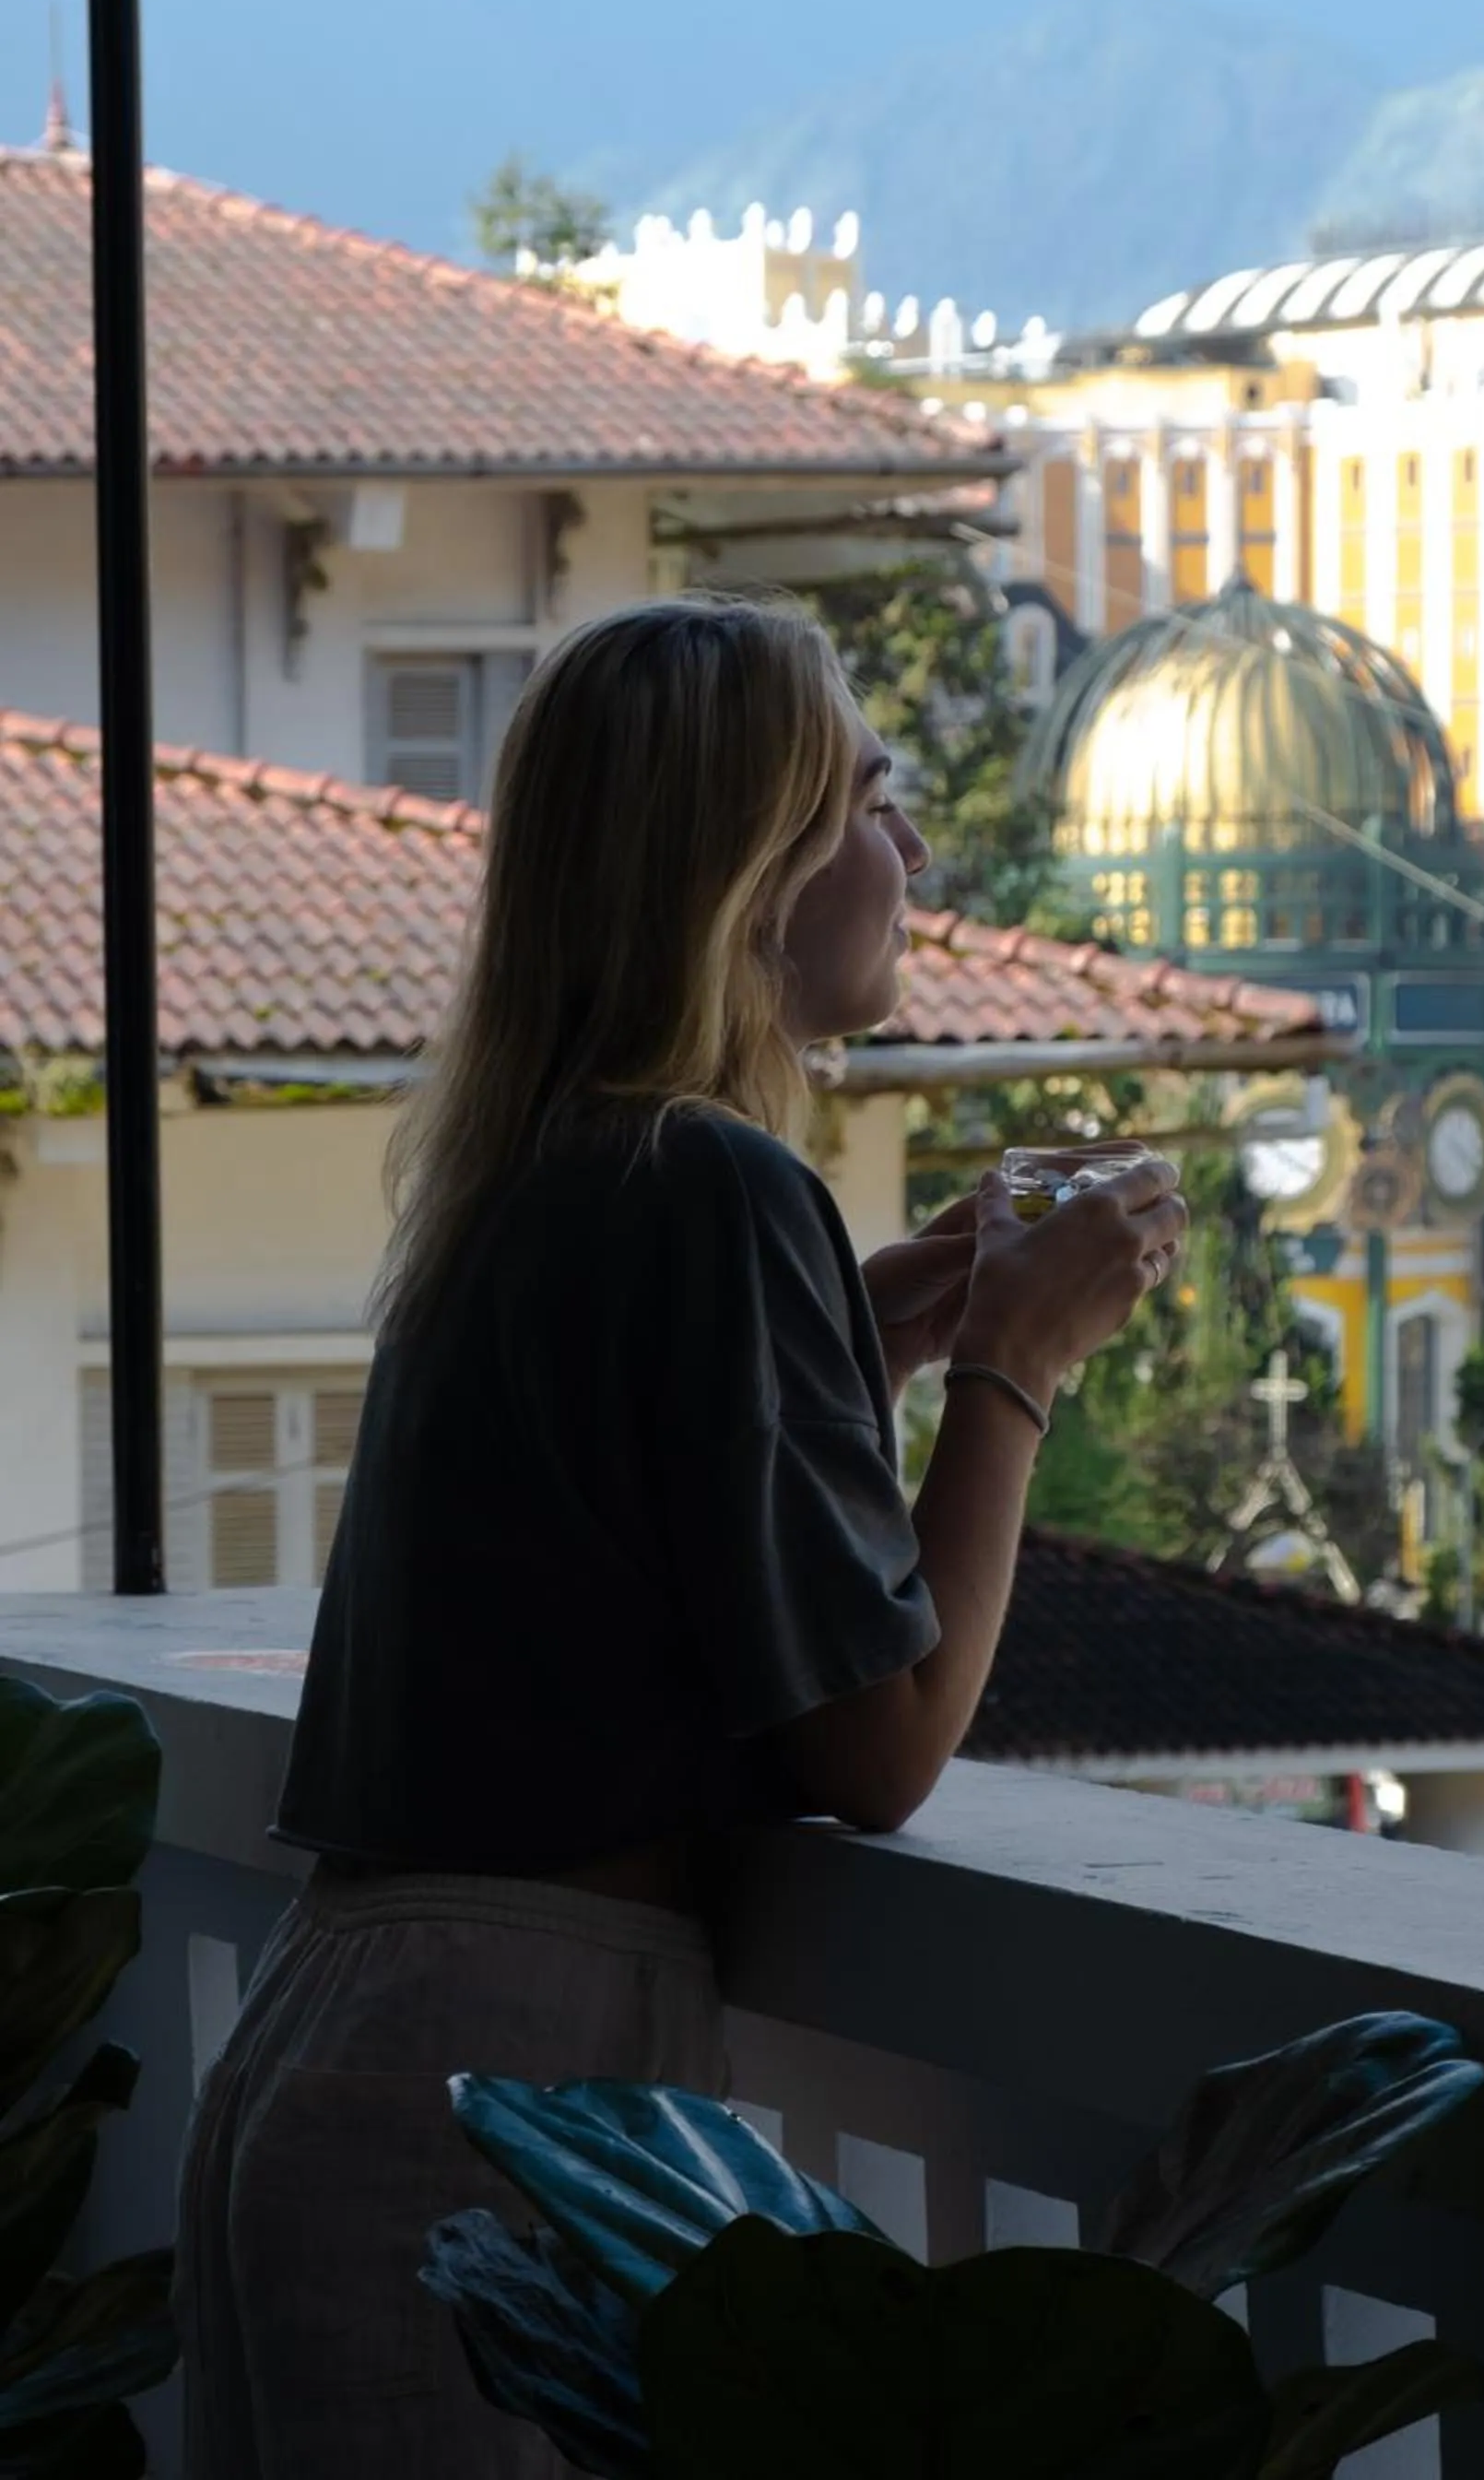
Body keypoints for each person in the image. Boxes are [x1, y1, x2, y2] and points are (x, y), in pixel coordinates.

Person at [173, 596, 1188, 2478]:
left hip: (349, 2048)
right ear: (757, 869)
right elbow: (877, 1749)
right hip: (487, 2087)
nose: (908, 854)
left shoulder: (544, 1170)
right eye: (870, 800)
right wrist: (1015, 1370)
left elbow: (634, 1543)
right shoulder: (717, 1184)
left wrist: (855, 1342)